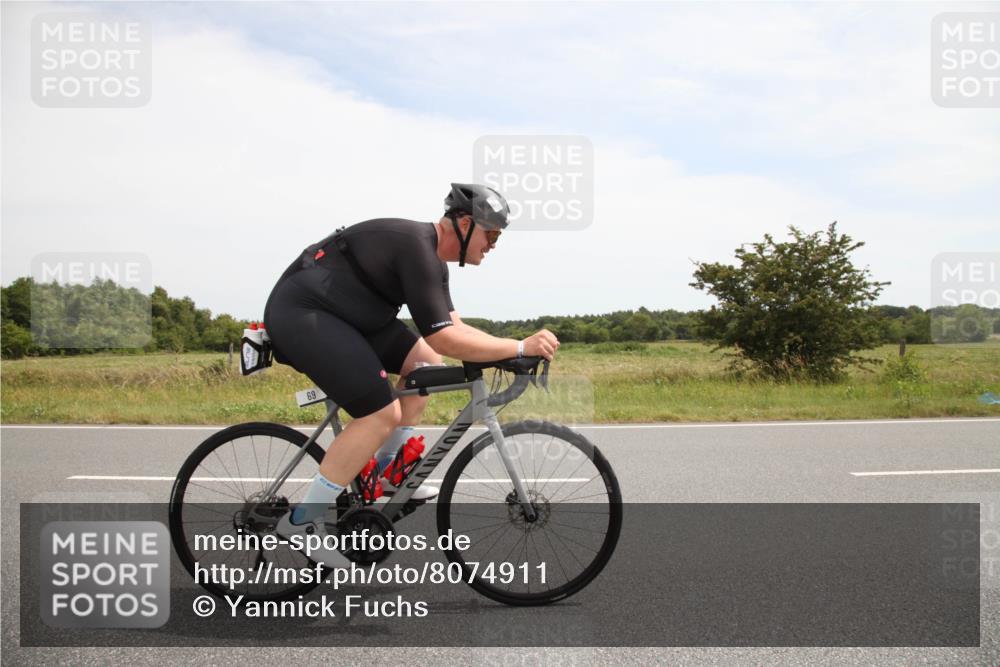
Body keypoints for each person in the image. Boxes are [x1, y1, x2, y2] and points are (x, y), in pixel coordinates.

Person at [263, 183, 559, 566]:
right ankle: (302, 522)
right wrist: (519, 347)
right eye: (492, 234)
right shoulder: (417, 248)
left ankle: (387, 473)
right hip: (305, 313)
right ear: (466, 224)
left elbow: (454, 326)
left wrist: (508, 349)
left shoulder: (431, 258)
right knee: (380, 413)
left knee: (425, 364)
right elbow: (446, 337)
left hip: (352, 315)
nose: (494, 244)